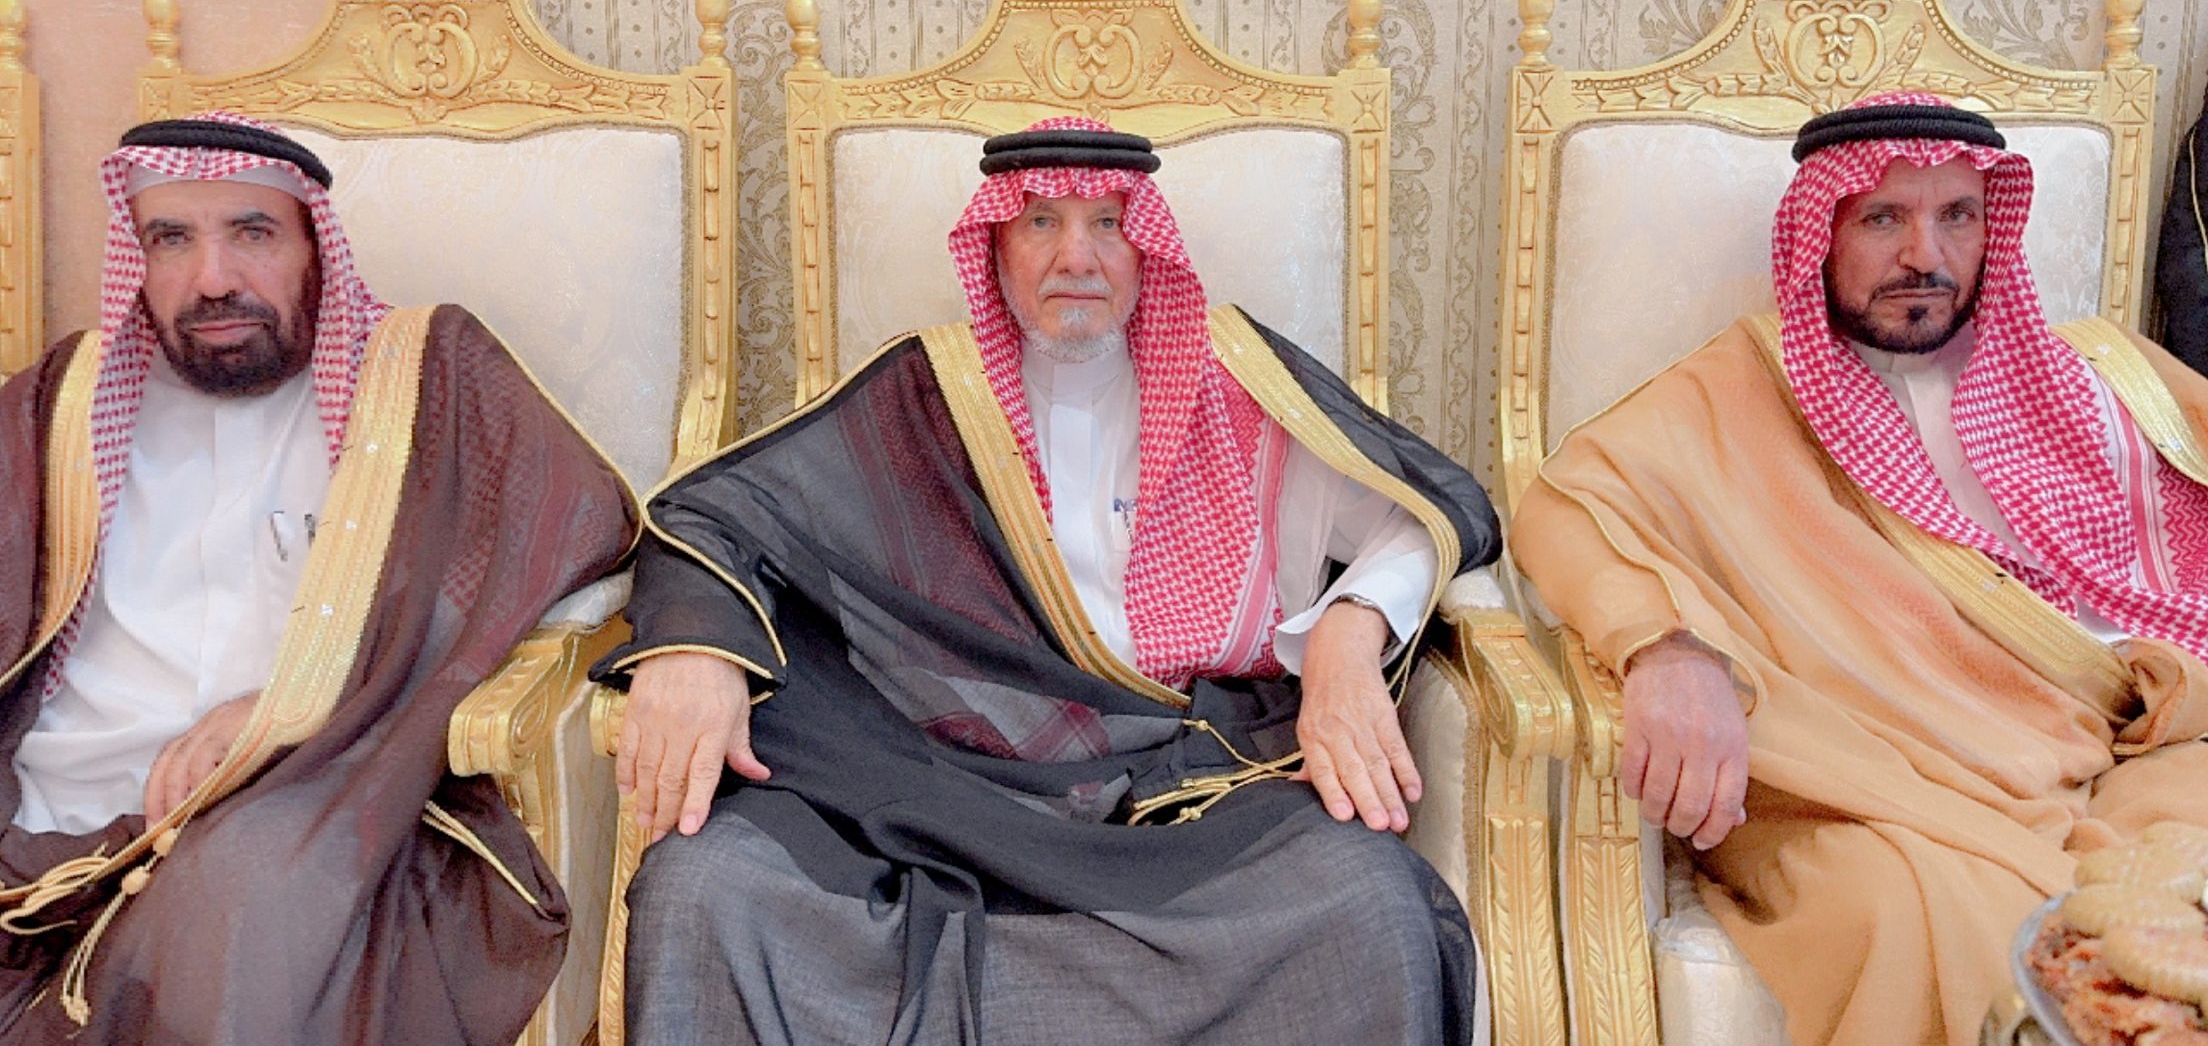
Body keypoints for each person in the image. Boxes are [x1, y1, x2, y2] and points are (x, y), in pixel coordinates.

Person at [600, 117, 1499, 1044]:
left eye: (1108, 223)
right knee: (707, 887)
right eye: (1040, 222)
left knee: (1369, 903)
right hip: (948, 790)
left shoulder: (1238, 389)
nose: (1077, 256)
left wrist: (1345, 641)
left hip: (1186, 792)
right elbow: (708, 517)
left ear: (1146, 247)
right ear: (994, 246)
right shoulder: (926, 399)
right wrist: (695, 653)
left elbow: (1430, 514)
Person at [1512, 91, 2208, 1046]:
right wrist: (1665, 649)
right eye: (1883, 218)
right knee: (1921, 914)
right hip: (1868, 780)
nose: (1925, 254)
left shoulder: (2094, 378)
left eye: (1957, 215)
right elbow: (1563, 509)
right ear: (1822, 233)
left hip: (2121, 744)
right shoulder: (1737, 394)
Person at [0, 112, 637, 1043]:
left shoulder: (427, 380)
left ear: (315, 248)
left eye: (252, 232)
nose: (212, 279)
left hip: (303, 798)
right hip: (49, 814)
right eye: (170, 239)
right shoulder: (61, 403)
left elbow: (581, 521)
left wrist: (296, 706)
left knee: (239, 913)